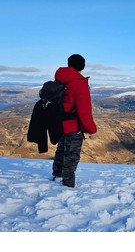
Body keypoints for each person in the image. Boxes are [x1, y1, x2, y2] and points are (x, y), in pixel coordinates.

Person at [52, 54, 97, 187]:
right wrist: (91, 129)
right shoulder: (79, 83)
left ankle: (57, 176)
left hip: (60, 123)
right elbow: (84, 110)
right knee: (71, 155)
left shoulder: (60, 79)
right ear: (82, 66)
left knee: (61, 150)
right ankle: (67, 185)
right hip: (73, 126)